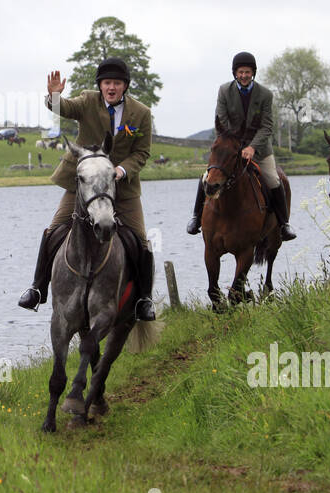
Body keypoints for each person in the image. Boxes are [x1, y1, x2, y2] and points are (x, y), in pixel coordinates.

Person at [18, 57, 156, 321]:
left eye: (116, 83)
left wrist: (121, 170)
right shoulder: (87, 101)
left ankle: (143, 300)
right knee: (53, 230)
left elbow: (142, 153)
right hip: (84, 184)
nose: (111, 87)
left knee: (140, 241)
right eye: (107, 83)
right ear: (100, 85)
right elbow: (65, 108)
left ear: (125, 86)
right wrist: (55, 97)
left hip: (122, 188)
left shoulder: (141, 113)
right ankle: (37, 288)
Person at [186, 51, 296, 240]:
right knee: (207, 176)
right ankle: (196, 218)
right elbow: (221, 120)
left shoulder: (265, 95)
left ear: (253, 73)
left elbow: (267, 126)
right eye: (240, 72)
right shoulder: (224, 91)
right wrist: (236, 146)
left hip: (259, 148)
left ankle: (283, 224)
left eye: (247, 72)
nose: (244, 75)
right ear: (235, 73)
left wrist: (252, 147)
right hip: (230, 147)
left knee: (273, 179)